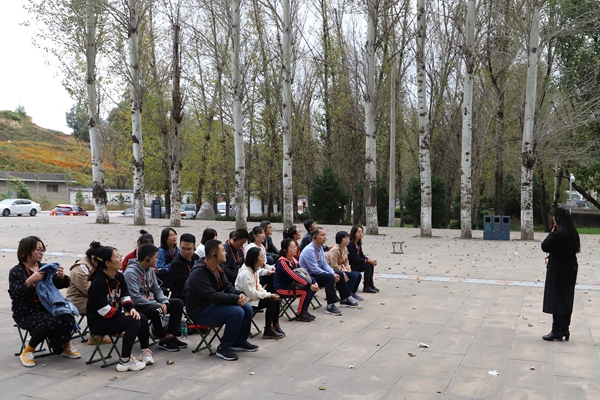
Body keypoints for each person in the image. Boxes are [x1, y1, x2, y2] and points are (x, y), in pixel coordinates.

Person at [9, 236, 81, 367]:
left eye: (43, 250)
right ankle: (28, 351)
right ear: (27, 252)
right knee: (50, 321)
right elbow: (15, 294)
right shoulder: (16, 271)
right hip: (26, 312)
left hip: (47, 307)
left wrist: (61, 276)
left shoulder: (44, 268)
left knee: (67, 315)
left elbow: (61, 284)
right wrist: (30, 280)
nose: (41, 253)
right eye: (38, 250)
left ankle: (65, 345)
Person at [185, 240, 258, 361]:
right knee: (237, 312)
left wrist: (239, 294)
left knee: (247, 308)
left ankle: (240, 341)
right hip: (200, 311)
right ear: (214, 254)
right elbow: (212, 296)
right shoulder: (199, 272)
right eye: (223, 251)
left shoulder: (217, 267)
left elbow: (228, 286)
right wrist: (235, 298)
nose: (226, 253)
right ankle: (224, 348)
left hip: (213, 305)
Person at [87, 246, 152, 371]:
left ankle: (145, 351)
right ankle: (125, 360)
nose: (121, 259)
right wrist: (123, 315)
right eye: (117, 257)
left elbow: (125, 298)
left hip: (112, 317)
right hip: (99, 321)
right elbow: (103, 310)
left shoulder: (119, 277)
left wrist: (131, 308)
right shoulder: (98, 282)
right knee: (133, 322)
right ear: (108, 263)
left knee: (141, 316)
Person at [124, 244, 187, 352]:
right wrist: (157, 304)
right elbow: (135, 298)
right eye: (155, 257)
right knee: (157, 309)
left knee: (178, 303)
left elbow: (157, 290)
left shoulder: (150, 270)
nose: (157, 260)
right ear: (147, 258)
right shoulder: (130, 273)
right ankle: (162, 339)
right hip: (136, 306)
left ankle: (170, 336)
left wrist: (164, 302)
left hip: (151, 302)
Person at [299, 228, 358, 316]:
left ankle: (344, 299)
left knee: (339, 273)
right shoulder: (309, 250)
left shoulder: (320, 248)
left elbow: (324, 264)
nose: (325, 237)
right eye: (322, 235)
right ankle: (330, 305)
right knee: (329, 277)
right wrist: (331, 275)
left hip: (316, 273)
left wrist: (333, 273)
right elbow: (314, 269)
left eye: (325, 235)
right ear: (314, 237)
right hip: (309, 276)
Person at [542, 207, 580, 341]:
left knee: (557, 298)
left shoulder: (558, 234)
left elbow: (545, 246)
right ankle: (565, 328)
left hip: (559, 268)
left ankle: (557, 330)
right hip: (570, 267)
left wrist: (552, 230)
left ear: (556, 219)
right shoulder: (572, 233)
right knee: (566, 298)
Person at [66, 240, 111, 345]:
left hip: (89, 297)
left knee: (113, 300)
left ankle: (112, 328)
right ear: (94, 258)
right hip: (77, 300)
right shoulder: (79, 270)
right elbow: (89, 291)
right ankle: (96, 335)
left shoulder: (96, 266)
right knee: (100, 305)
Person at [235, 247, 284, 339]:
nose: (263, 259)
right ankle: (268, 330)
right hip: (247, 300)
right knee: (271, 301)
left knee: (275, 299)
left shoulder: (254, 269)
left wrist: (268, 294)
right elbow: (252, 294)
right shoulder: (245, 273)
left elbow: (259, 287)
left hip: (253, 298)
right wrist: (269, 295)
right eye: (261, 257)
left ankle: (275, 325)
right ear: (254, 259)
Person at [274, 238, 318, 322]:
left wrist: (314, 282)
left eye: (295, 247)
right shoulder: (282, 262)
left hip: (292, 286)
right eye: (292, 247)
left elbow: (304, 272)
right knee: (306, 291)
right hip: (282, 289)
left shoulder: (293, 260)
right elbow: (294, 276)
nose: (295, 249)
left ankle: (304, 310)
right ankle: (300, 313)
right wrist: (309, 285)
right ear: (285, 250)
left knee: (312, 289)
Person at [326, 231, 364, 302]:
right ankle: (347, 295)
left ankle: (353, 292)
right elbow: (334, 266)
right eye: (345, 238)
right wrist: (343, 269)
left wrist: (348, 268)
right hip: (334, 270)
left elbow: (346, 261)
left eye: (348, 238)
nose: (348, 240)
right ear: (340, 239)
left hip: (343, 269)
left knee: (359, 274)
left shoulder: (345, 248)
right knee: (353, 276)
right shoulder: (335, 250)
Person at [348, 225, 379, 293]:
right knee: (368, 265)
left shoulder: (358, 243)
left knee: (370, 264)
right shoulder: (350, 244)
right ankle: (366, 286)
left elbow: (361, 255)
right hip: (351, 265)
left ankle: (370, 284)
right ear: (354, 233)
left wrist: (370, 260)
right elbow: (354, 259)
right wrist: (367, 261)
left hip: (356, 264)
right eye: (358, 232)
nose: (360, 234)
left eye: (361, 232)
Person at [170, 233, 199, 302]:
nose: (186, 252)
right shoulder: (176, 264)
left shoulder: (196, 257)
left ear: (194, 248)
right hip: (182, 297)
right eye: (183, 248)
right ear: (179, 246)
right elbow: (185, 284)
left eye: (189, 249)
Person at [246, 226, 275, 292]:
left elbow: (264, 264)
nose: (263, 235)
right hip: (253, 273)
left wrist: (271, 268)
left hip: (260, 271)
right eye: (260, 233)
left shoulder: (262, 247)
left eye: (263, 233)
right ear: (254, 235)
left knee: (274, 275)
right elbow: (251, 267)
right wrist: (266, 272)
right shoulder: (251, 248)